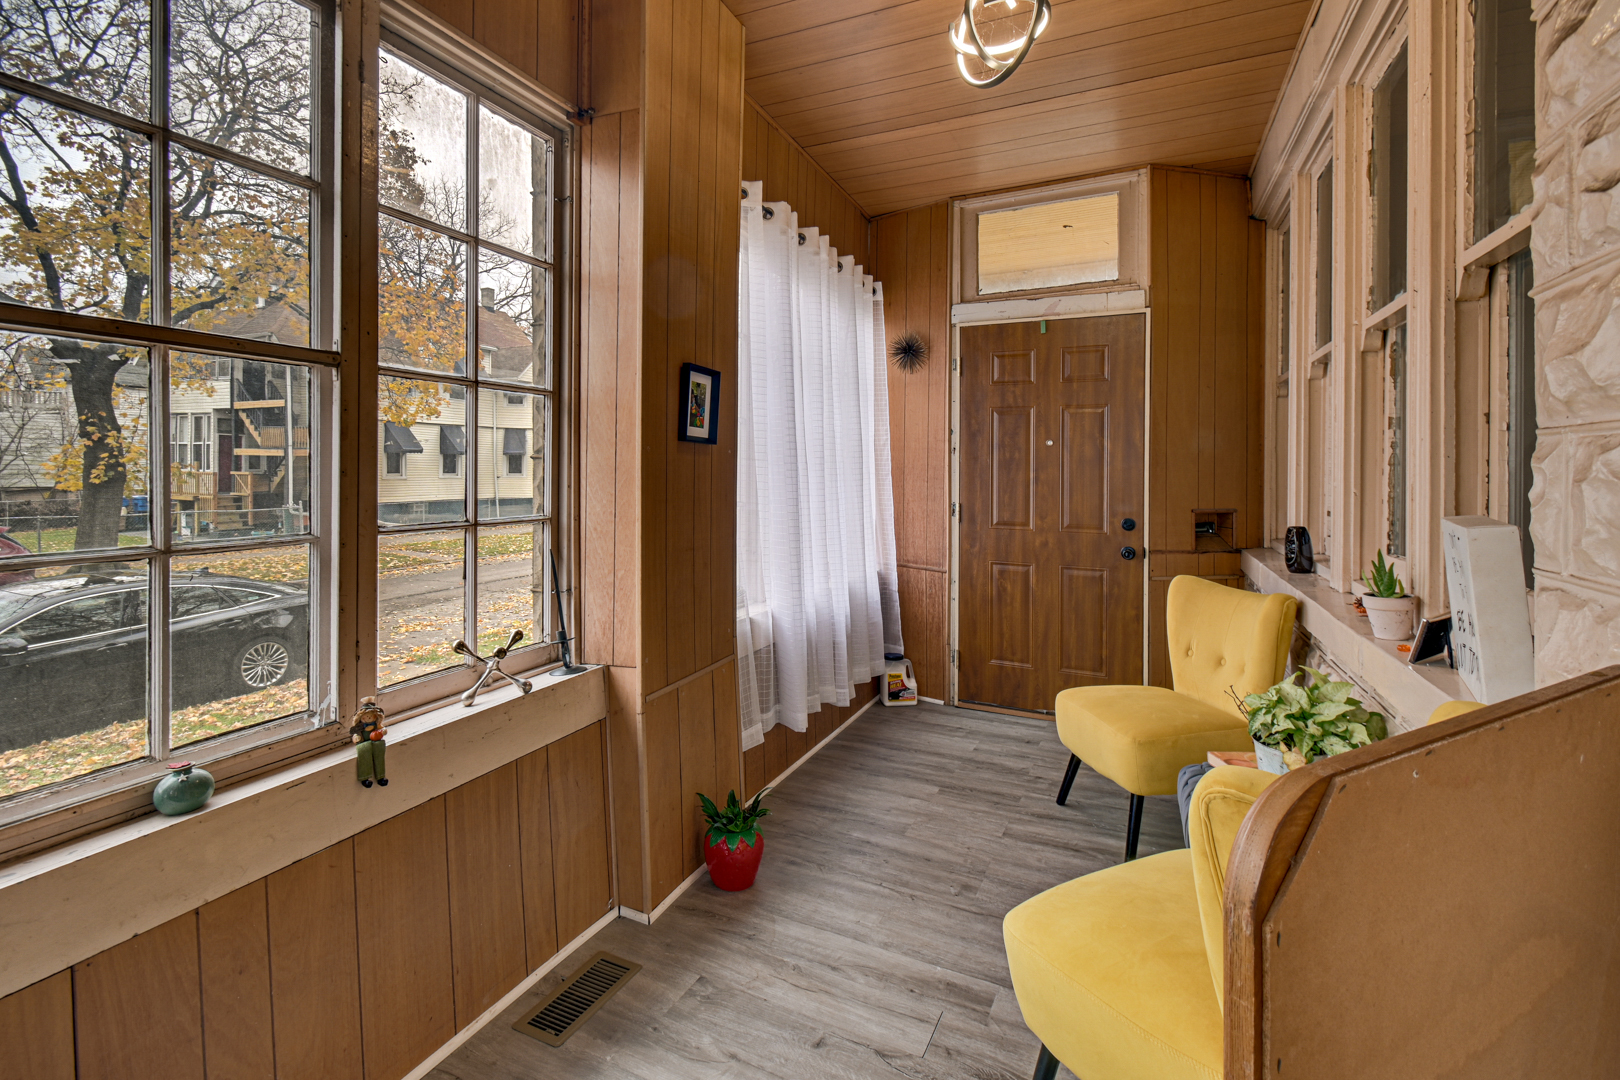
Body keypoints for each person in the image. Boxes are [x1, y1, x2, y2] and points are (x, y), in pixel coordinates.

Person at [350, 697, 389, 788]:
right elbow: (355, 735)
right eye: (366, 716)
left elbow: (383, 729)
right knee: (364, 753)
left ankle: (380, 776)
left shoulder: (376, 725)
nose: (368, 718)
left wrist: (382, 731)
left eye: (371, 716)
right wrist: (357, 738)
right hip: (364, 743)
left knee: (379, 752)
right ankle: (365, 778)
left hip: (376, 742)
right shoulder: (359, 727)